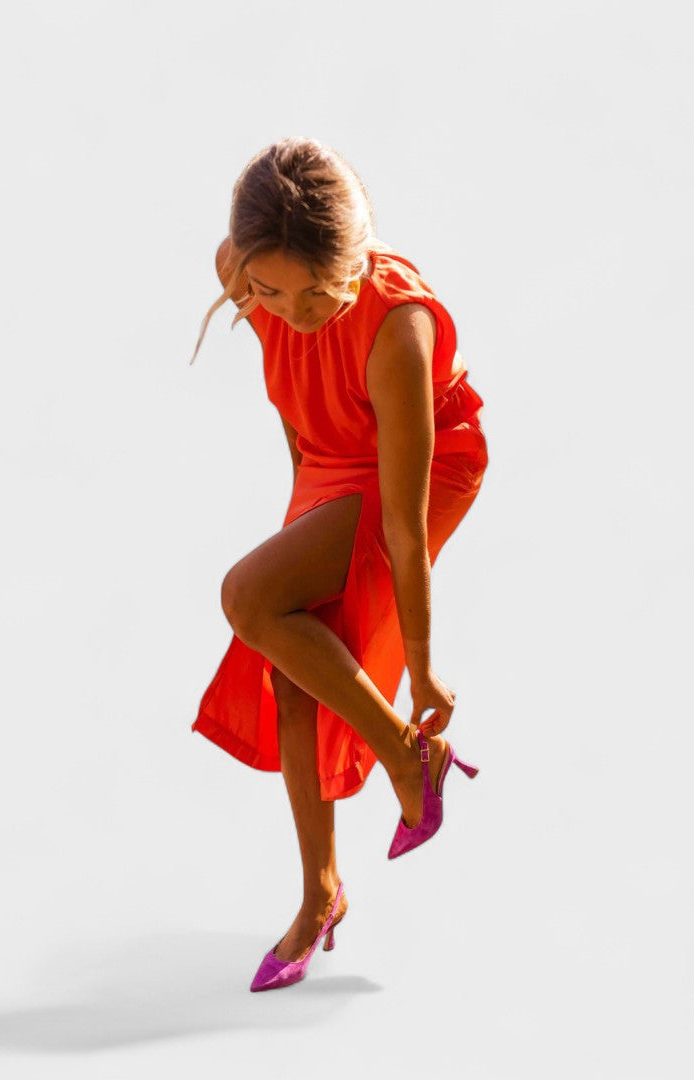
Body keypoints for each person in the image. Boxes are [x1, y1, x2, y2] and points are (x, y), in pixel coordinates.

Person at [190, 137, 488, 992]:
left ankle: (405, 754)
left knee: (248, 597)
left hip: (419, 466)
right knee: (292, 669)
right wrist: (303, 508)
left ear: (351, 267)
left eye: (314, 294)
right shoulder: (243, 267)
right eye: (267, 292)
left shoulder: (398, 328)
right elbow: (292, 392)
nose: (288, 311)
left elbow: (402, 524)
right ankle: (320, 893)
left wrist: (423, 672)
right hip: (330, 454)